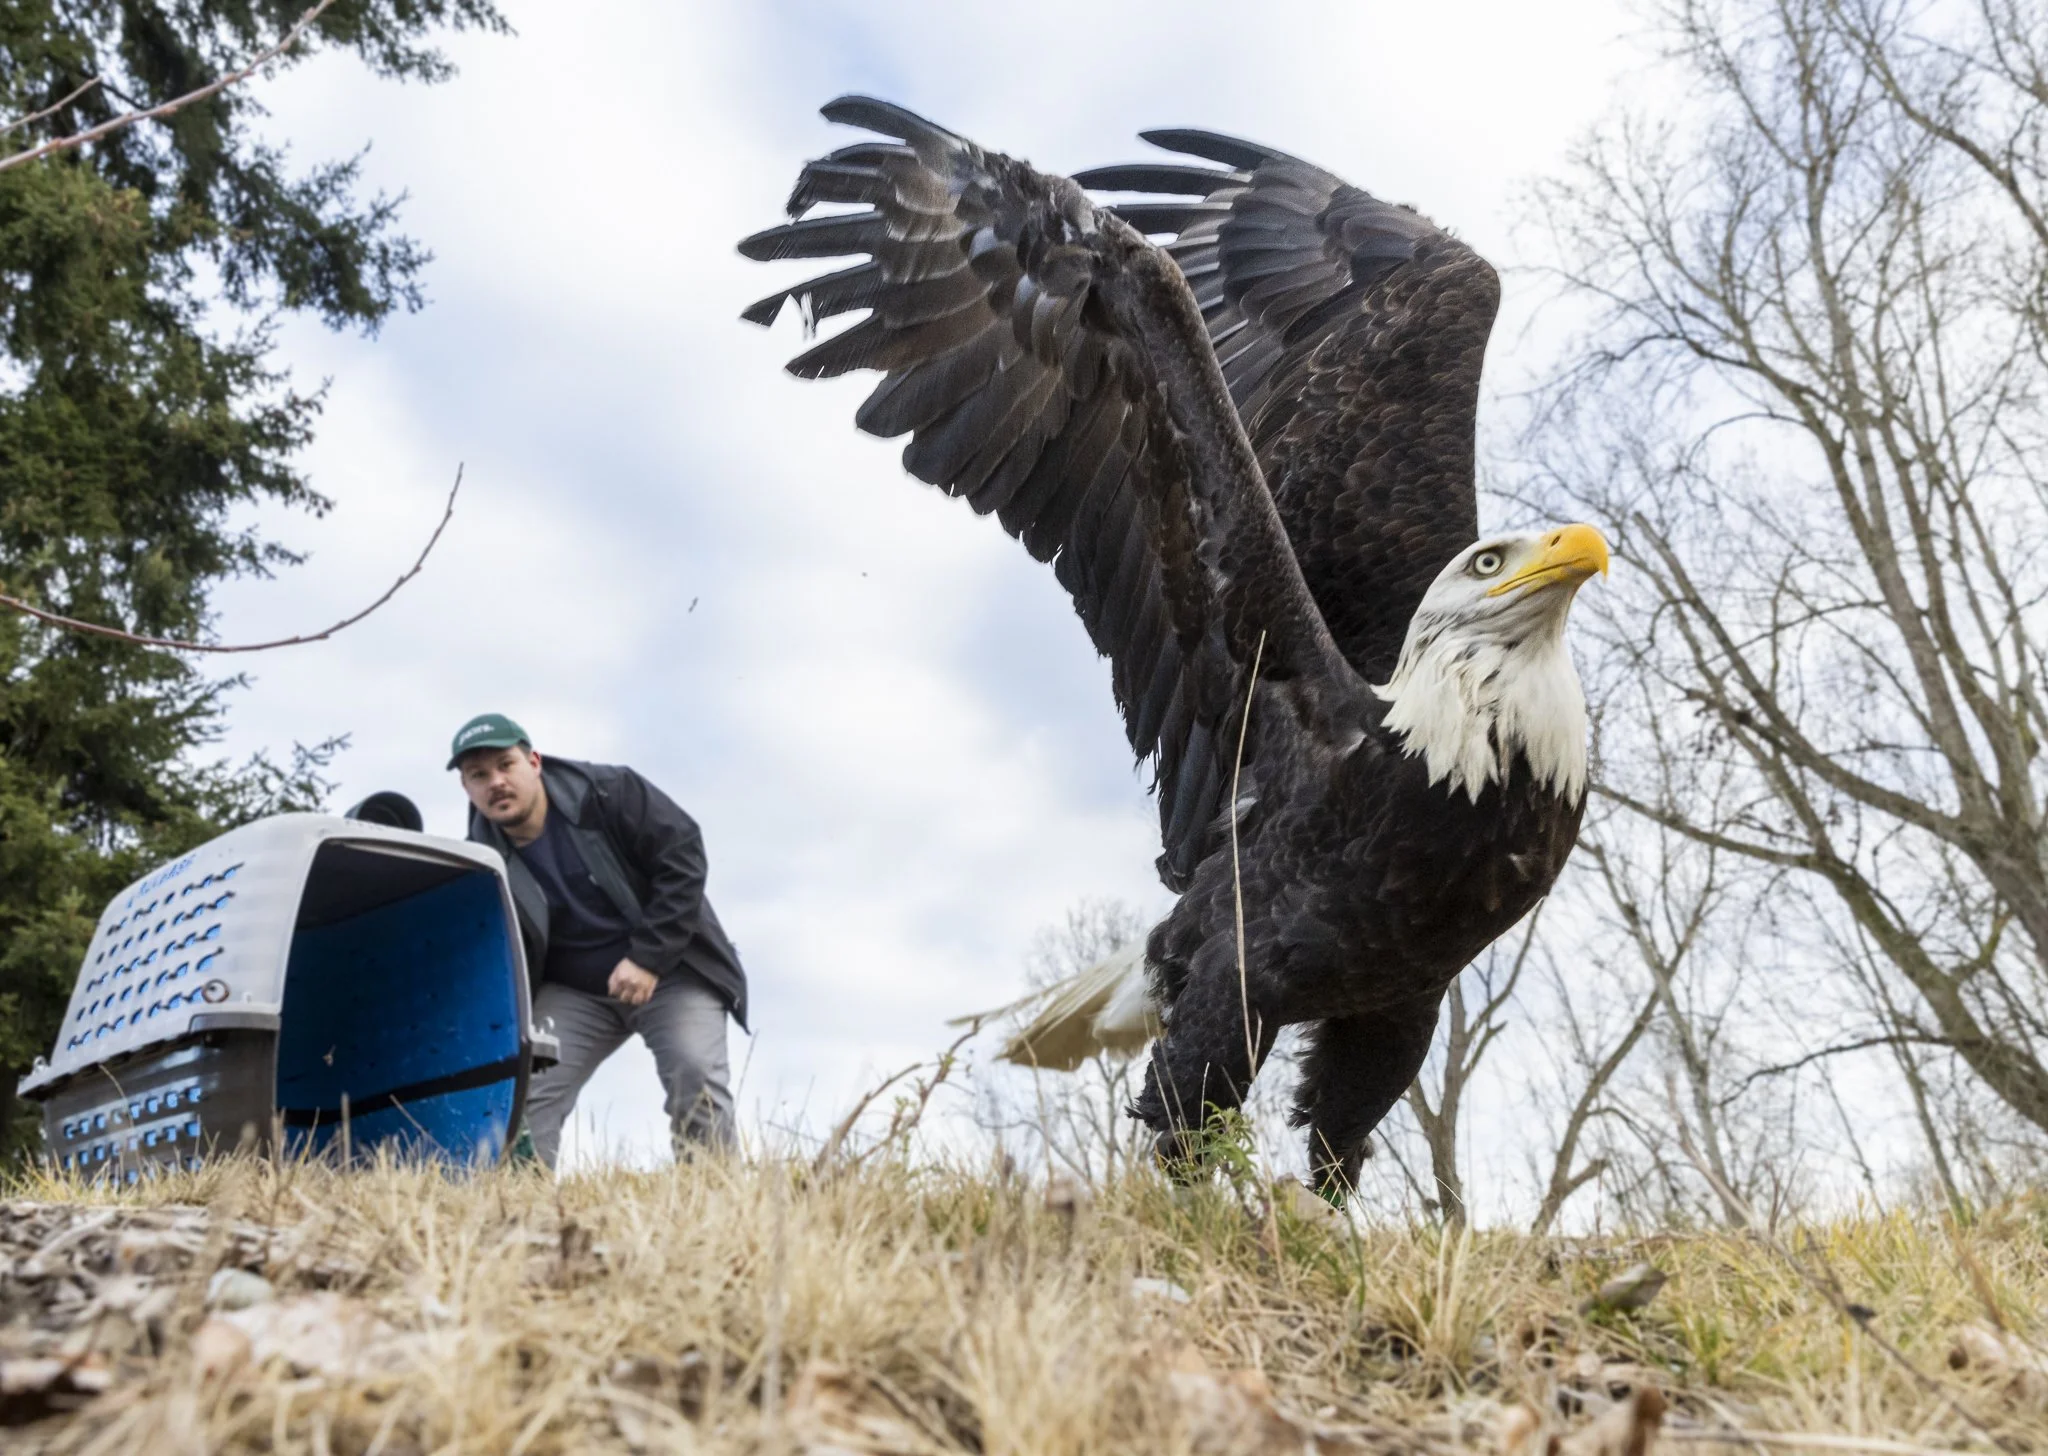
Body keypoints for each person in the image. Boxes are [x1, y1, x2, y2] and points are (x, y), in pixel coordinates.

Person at [448, 713, 745, 1167]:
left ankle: (716, 1206)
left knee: (696, 1073)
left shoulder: (611, 791)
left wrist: (648, 958)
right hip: (576, 993)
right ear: (467, 788)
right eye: (479, 775)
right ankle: (520, 1216)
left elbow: (682, 857)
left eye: (506, 765)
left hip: (672, 970)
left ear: (534, 762)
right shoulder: (481, 860)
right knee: (521, 1092)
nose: (496, 782)